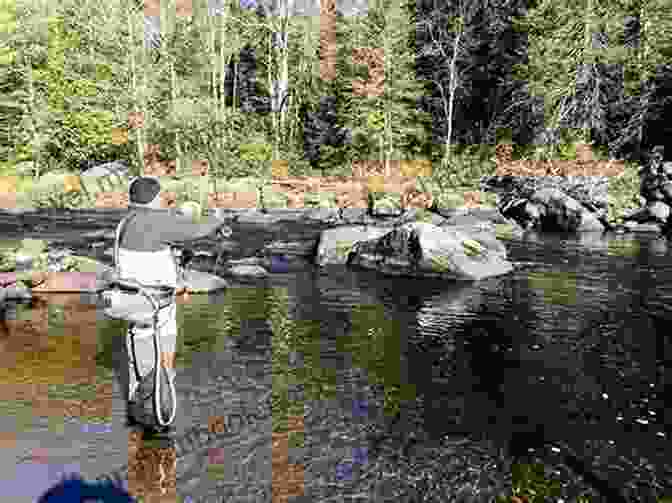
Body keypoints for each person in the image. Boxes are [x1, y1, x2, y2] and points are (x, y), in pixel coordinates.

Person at [116, 176, 231, 434]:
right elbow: (195, 230)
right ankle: (159, 410)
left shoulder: (125, 222)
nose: (163, 199)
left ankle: (138, 412)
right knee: (161, 356)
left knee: (137, 354)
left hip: (131, 301)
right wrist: (217, 218)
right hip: (156, 303)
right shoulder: (156, 221)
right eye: (160, 196)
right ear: (153, 198)